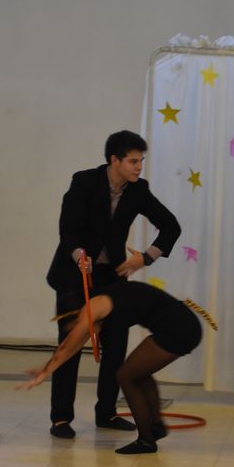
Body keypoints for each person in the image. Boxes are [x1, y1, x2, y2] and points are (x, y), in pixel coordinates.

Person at [46, 130, 181, 439]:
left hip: (112, 277)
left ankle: (106, 412)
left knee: (116, 346)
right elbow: (68, 229)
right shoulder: (84, 182)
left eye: (141, 161)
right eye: (133, 161)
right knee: (70, 344)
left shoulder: (138, 190)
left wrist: (144, 258)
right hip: (74, 275)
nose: (139, 167)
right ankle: (61, 418)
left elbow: (171, 226)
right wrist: (79, 255)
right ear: (114, 160)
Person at [20, 281, 202, 454]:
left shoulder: (95, 306)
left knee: (126, 376)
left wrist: (44, 373)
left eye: (74, 325)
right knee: (138, 372)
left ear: (77, 313)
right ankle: (156, 426)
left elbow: (68, 345)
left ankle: (146, 441)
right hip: (182, 324)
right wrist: (46, 368)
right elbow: (73, 346)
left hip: (178, 329)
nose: (76, 329)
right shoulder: (99, 302)